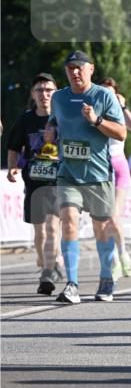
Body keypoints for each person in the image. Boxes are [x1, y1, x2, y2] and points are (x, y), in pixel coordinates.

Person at [47, 51, 127, 304]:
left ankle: (106, 277)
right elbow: (54, 123)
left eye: (80, 67)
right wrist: (50, 131)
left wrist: (96, 120)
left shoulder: (104, 96)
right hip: (68, 173)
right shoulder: (59, 98)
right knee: (68, 220)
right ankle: (72, 284)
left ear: (91, 69)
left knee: (101, 228)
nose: (75, 72)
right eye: (70, 68)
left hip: (98, 174)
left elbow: (122, 133)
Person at [6, 72, 63, 295]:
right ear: (33, 94)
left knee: (52, 227)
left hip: (58, 181)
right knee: (39, 233)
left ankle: (47, 274)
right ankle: (47, 262)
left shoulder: (62, 118)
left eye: (49, 90)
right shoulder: (25, 119)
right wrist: (12, 166)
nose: (44, 94)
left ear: (55, 94)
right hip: (34, 182)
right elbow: (13, 146)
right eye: (40, 90)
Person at [100, 78, 131, 279]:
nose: (107, 96)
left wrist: (123, 106)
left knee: (113, 215)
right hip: (100, 168)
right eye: (103, 91)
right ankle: (114, 258)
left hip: (119, 167)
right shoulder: (95, 110)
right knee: (104, 219)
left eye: (111, 92)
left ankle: (123, 253)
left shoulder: (120, 111)